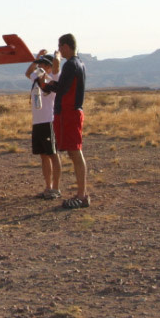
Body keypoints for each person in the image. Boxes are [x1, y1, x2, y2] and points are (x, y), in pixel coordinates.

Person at [43, 33, 89, 209]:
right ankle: (81, 193)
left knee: (75, 152)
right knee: (73, 151)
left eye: (60, 47)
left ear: (66, 46)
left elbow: (62, 88)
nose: (59, 51)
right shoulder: (79, 64)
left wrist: (47, 84)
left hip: (69, 112)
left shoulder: (71, 65)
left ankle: (81, 195)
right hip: (71, 112)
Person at [25, 51, 61, 199]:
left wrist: (56, 56)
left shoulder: (52, 79)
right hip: (37, 122)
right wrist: (37, 58)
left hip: (48, 121)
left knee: (53, 154)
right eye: (39, 65)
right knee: (43, 156)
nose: (38, 67)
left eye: (42, 65)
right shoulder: (37, 79)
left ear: (48, 67)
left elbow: (57, 67)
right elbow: (28, 72)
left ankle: (56, 188)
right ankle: (48, 187)